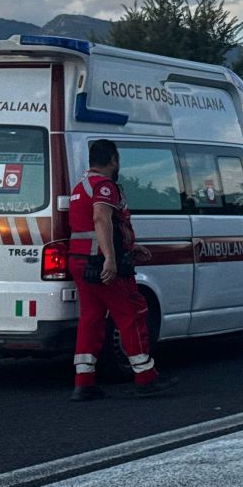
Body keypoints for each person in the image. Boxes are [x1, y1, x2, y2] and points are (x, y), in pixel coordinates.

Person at [68, 139, 175, 400]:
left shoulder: (80, 188)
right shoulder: (105, 187)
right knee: (132, 312)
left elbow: (95, 226)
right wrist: (111, 259)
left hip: (80, 260)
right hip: (99, 261)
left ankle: (84, 381)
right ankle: (146, 377)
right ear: (113, 160)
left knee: (91, 319)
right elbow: (101, 219)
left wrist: (129, 246)